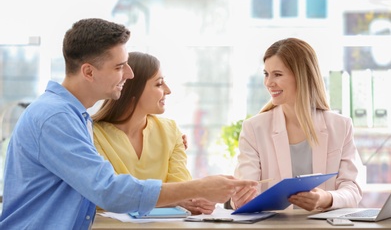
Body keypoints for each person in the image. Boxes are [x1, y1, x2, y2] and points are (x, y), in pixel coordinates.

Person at [0, 18, 258, 230]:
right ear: (88, 72)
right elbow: (108, 191)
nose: (130, 74)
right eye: (120, 66)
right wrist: (199, 187)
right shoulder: (55, 118)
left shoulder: (74, 116)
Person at [231, 38, 363, 212]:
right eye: (266, 74)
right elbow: (246, 191)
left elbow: (353, 189)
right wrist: (240, 198)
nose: (269, 82)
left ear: (302, 76)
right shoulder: (254, 129)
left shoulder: (341, 126)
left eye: (277, 74)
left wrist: (326, 198)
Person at [92, 52, 216, 215]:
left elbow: (183, 191)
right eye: (159, 84)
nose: (168, 90)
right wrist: (171, 200)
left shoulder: (170, 130)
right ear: (132, 89)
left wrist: (193, 200)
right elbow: (104, 197)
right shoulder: (92, 134)